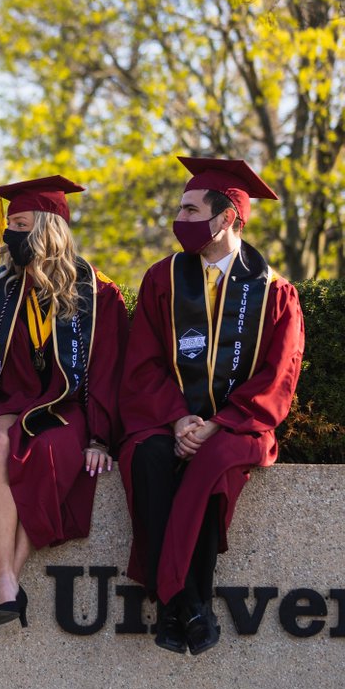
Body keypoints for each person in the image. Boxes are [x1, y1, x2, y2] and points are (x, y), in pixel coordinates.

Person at [119, 156, 303, 655]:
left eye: (191, 209)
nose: (180, 220)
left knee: (212, 464)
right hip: (169, 420)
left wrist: (218, 425)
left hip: (240, 427)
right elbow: (143, 363)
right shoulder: (163, 278)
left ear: (225, 218)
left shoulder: (274, 292)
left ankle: (176, 600)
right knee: (148, 456)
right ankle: (191, 608)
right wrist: (179, 418)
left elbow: (277, 376)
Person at [0, 176, 127, 628]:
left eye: (21, 223)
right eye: (10, 224)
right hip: (13, 399)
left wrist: (102, 438)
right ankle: (7, 579)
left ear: (48, 228)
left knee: (46, 456)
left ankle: (4, 582)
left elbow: (108, 368)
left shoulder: (97, 291)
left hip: (70, 408)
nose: (11, 233)